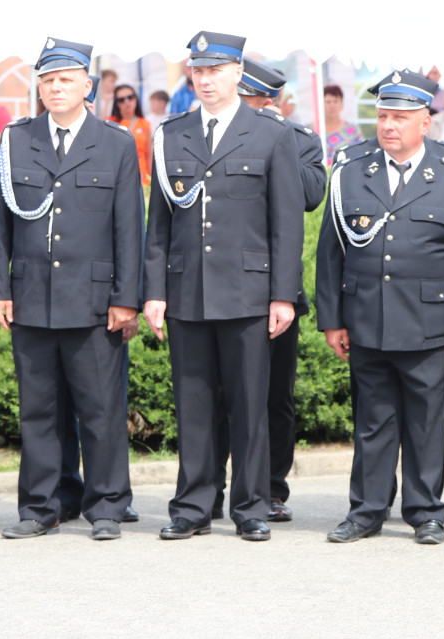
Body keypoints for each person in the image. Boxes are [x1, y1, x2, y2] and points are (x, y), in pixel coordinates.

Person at [144, 31, 304, 542]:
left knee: (249, 402)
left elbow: (287, 223)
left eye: (216, 70)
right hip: (187, 288)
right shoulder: (172, 134)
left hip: (248, 292)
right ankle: (192, 505)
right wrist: (154, 290)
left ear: (238, 72)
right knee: (193, 402)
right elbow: (159, 225)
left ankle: (252, 504)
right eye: (199, 71)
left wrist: (283, 294)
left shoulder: (270, 134)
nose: (206, 79)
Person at [317, 69, 444, 546]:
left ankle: (426, 511)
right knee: (372, 420)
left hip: (429, 323)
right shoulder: (351, 172)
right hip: (366, 318)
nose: (389, 126)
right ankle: (367, 510)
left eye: (401, 117)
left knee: (427, 422)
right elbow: (331, 253)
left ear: (424, 123)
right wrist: (332, 320)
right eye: (383, 116)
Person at [0, 37, 142, 541]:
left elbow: (128, 228)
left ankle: (107, 507)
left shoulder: (114, 142)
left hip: (95, 301)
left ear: (87, 86)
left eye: (66, 79)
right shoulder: (16, 139)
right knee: (39, 410)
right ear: (38, 87)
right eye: (48, 80)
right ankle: (42, 506)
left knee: (100, 409)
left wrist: (125, 298)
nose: (56, 88)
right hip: (31, 297)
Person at [211, 58, 326, 523]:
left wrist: (274, 143)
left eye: (250, 101)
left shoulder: (297, 140)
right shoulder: (210, 134)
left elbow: (311, 195)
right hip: (220, 287)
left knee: (273, 396)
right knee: (219, 396)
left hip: (273, 291)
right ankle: (213, 488)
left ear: (266, 101)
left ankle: (271, 488)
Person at [109, 84, 151, 184]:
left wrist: (151, 179)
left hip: (142, 177)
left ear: (136, 99)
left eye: (130, 97)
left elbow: (149, 155)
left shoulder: (145, 124)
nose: (127, 102)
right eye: (121, 100)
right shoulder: (109, 123)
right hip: (118, 176)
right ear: (117, 103)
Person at [323, 84, 362, 165]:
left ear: (342, 105)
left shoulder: (352, 130)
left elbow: (360, 156)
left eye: (335, 101)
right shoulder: (311, 129)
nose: (332, 105)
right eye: (328, 102)